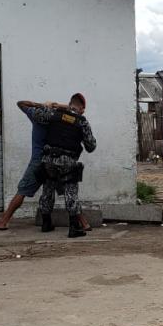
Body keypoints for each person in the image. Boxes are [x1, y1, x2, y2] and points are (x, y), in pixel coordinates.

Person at [0, 99, 92, 232]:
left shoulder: (38, 116)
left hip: (41, 160)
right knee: (70, 192)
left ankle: (3, 222)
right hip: (58, 160)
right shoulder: (56, 118)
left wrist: (40, 105)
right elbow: (73, 111)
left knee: (24, 190)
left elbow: (20, 103)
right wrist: (59, 105)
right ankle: (83, 224)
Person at [31, 93, 97, 238]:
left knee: (48, 189)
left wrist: (48, 105)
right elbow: (91, 146)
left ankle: (46, 223)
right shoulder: (82, 122)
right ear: (81, 108)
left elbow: (37, 115)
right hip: (67, 161)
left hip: (48, 158)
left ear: (69, 103)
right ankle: (74, 228)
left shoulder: (55, 114)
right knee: (71, 192)